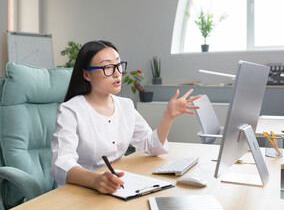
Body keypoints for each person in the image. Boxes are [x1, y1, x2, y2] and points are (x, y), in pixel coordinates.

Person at [50, 40, 201, 194]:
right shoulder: (70, 110)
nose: (117, 73)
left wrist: (168, 116)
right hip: (81, 191)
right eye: (107, 67)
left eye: (118, 65)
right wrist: (95, 180)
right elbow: (61, 164)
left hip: (117, 186)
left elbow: (152, 146)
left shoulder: (125, 105)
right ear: (86, 74)